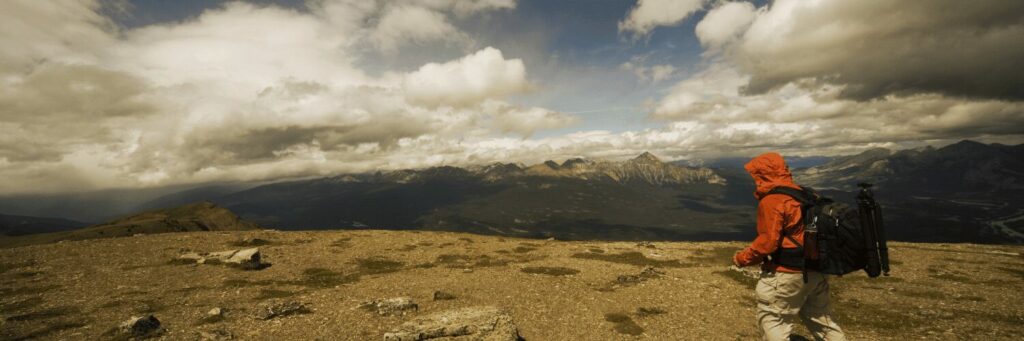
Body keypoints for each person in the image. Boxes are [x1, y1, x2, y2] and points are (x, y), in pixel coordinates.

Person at [732, 152, 846, 341]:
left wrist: (741, 259)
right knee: (822, 320)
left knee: (774, 319)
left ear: (763, 174)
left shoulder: (773, 200)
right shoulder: (808, 194)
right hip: (817, 270)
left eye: (756, 175)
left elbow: (767, 243)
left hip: (787, 273)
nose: (754, 179)